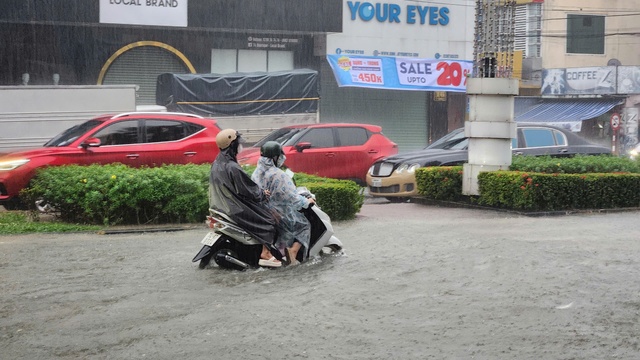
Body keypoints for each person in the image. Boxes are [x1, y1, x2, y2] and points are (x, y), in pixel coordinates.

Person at [208, 129, 282, 268]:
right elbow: (248, 189)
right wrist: (262, 194)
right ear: (232, 145)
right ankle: (266, 253)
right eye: (238, 143)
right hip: (236, 208)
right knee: (271, 220)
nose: (240, 146)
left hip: (224, 206)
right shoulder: (232, 167)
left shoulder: (217, 164)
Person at [251, 141, 315, 265]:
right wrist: (307, 201)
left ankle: (281, 252)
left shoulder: (257, 173)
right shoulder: (279, 175)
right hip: (277, 212)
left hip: (263, 211)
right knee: (304, 225)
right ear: (275, 157)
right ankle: (293, 251)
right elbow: (292, 197)